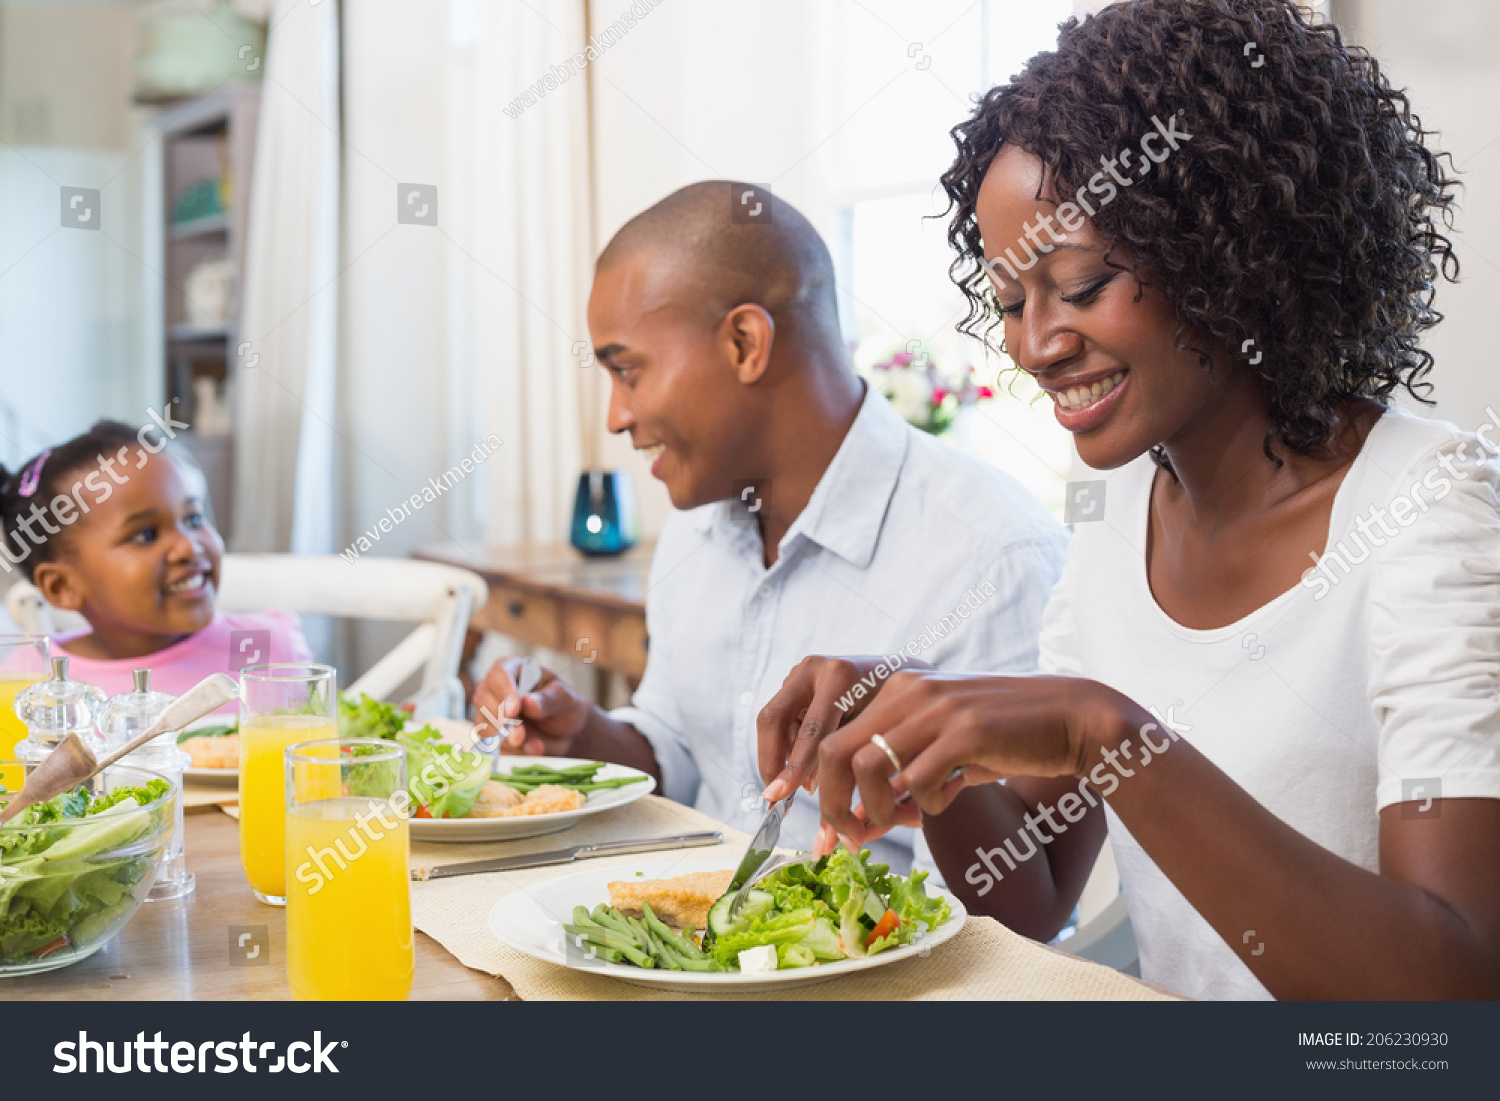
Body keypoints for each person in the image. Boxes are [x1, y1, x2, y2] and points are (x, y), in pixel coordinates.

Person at [758, 0, 1500, 999]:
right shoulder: (1117, 518)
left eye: (1082, 282)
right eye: (1013, 301)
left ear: (1230, 250)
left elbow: (1451, 998)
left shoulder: (1429, 508)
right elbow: (1029, 895)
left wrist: (1104, 731)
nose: (1036, 343)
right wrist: (920, 744)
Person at [473, 180, 1068, 871]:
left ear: (745, 343)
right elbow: (683, 750)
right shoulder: (697, 529)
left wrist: (922, 732)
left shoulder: (993, 553)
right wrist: (582, 731)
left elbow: (1022, 905)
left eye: (627, 371)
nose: (616, 417)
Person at [0, 420, 312, 699]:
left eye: (192, 519)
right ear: (62, 586)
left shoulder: (269, 651)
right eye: (146, 535)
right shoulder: (30, 681)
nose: (188, 549)